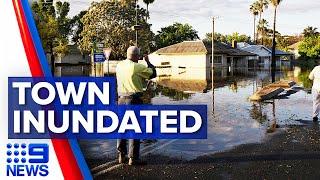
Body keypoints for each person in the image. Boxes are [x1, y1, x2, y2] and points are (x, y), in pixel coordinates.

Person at [116, 46, 156, 165]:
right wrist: (148, 61)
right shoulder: (137, 66)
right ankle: (133, 158)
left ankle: (121, 156)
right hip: (133, 100)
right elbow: (153, 73)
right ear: (136, 56)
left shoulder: (119, 65)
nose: (139, 57)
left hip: (121, 99)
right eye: (138, 56)